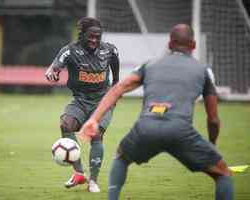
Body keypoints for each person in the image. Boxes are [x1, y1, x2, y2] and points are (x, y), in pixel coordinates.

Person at [79, 24, 234, 200]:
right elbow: (213, 119)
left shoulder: (150, 64)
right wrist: (212, 144)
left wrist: (94, 119)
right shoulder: (203, 71)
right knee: (223, 174)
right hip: (180, 131)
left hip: (146, 127)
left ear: (169, 44)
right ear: (193, 45)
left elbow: (118, 88)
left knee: (121, 157)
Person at [45, 17, 120, 192]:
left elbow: (116, 73)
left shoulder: (110, 50)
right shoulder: (70, 51)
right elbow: (54, 67)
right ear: (82, 35)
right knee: (66, 124)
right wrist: (52, 73)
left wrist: (115, 90)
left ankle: (93, 181)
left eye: (97, 37)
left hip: (102, 101)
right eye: (90, 37)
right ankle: (79, 173)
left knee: (95, 135)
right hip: (80, 100)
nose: (94, 40)